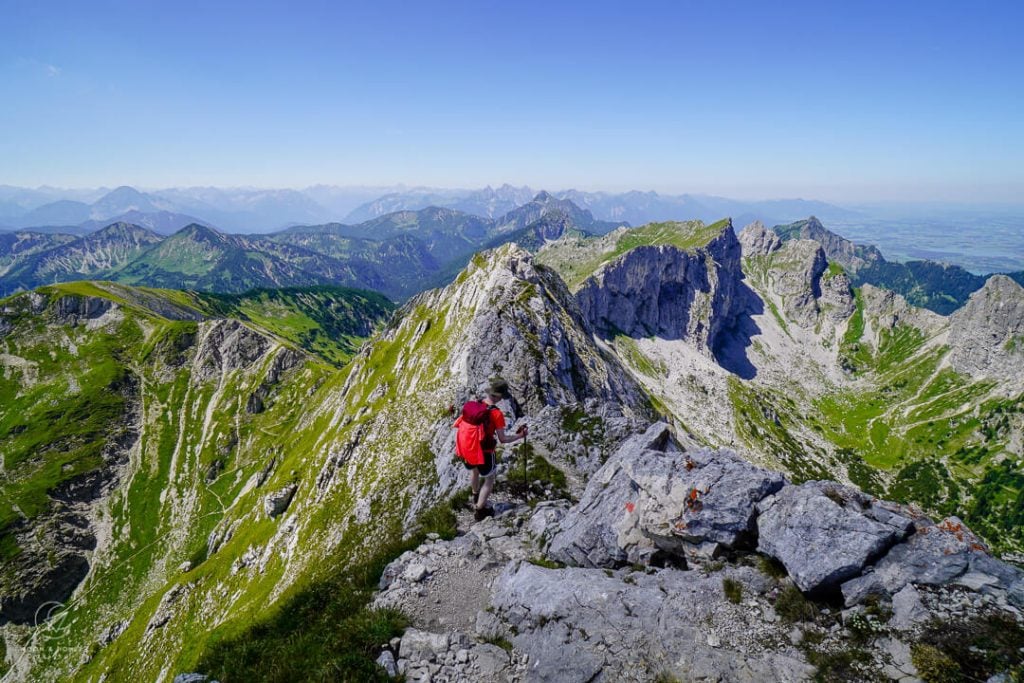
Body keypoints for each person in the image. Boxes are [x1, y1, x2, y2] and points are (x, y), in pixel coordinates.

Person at [466, 377, 527, 521]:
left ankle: (475, 495)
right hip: (485, 452)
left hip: (470, 448)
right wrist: (520, 435)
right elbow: (503, 439)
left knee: (474, 471)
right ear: (499, 396)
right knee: (489, 479)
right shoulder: (496, 414)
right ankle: (480, 510)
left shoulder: (477, 404)